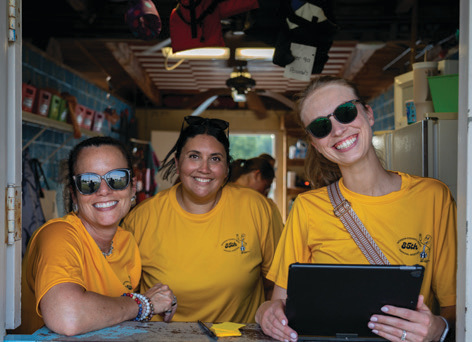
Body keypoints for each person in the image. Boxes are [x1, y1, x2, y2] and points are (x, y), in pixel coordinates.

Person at [255, 76, 456, 342]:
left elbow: (454, 307)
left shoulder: (433, 197)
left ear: (368, 114)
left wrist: (438, 328)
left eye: (345, 112)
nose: (337, 130)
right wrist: (265, 314)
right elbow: (277, 304)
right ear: (316, 144)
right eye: (320, 126)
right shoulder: (306, 207)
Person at [122, 116, 283, 323]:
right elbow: (122, 297)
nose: (204, 168)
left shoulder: (257, 208)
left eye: (215, 158)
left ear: (226, 170)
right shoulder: (141, 218)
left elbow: (279, 284)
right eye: (194, 156)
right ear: (177, 164)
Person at [15, 136, 177, 336]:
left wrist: (151, 301)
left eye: (116, 179)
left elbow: (115, 314)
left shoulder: (127, 242)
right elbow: (68, 317)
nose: (103, 191)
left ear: (132, 187)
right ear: (74, 194)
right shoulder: (57, 235)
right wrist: (144, 304)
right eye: (88, 182)